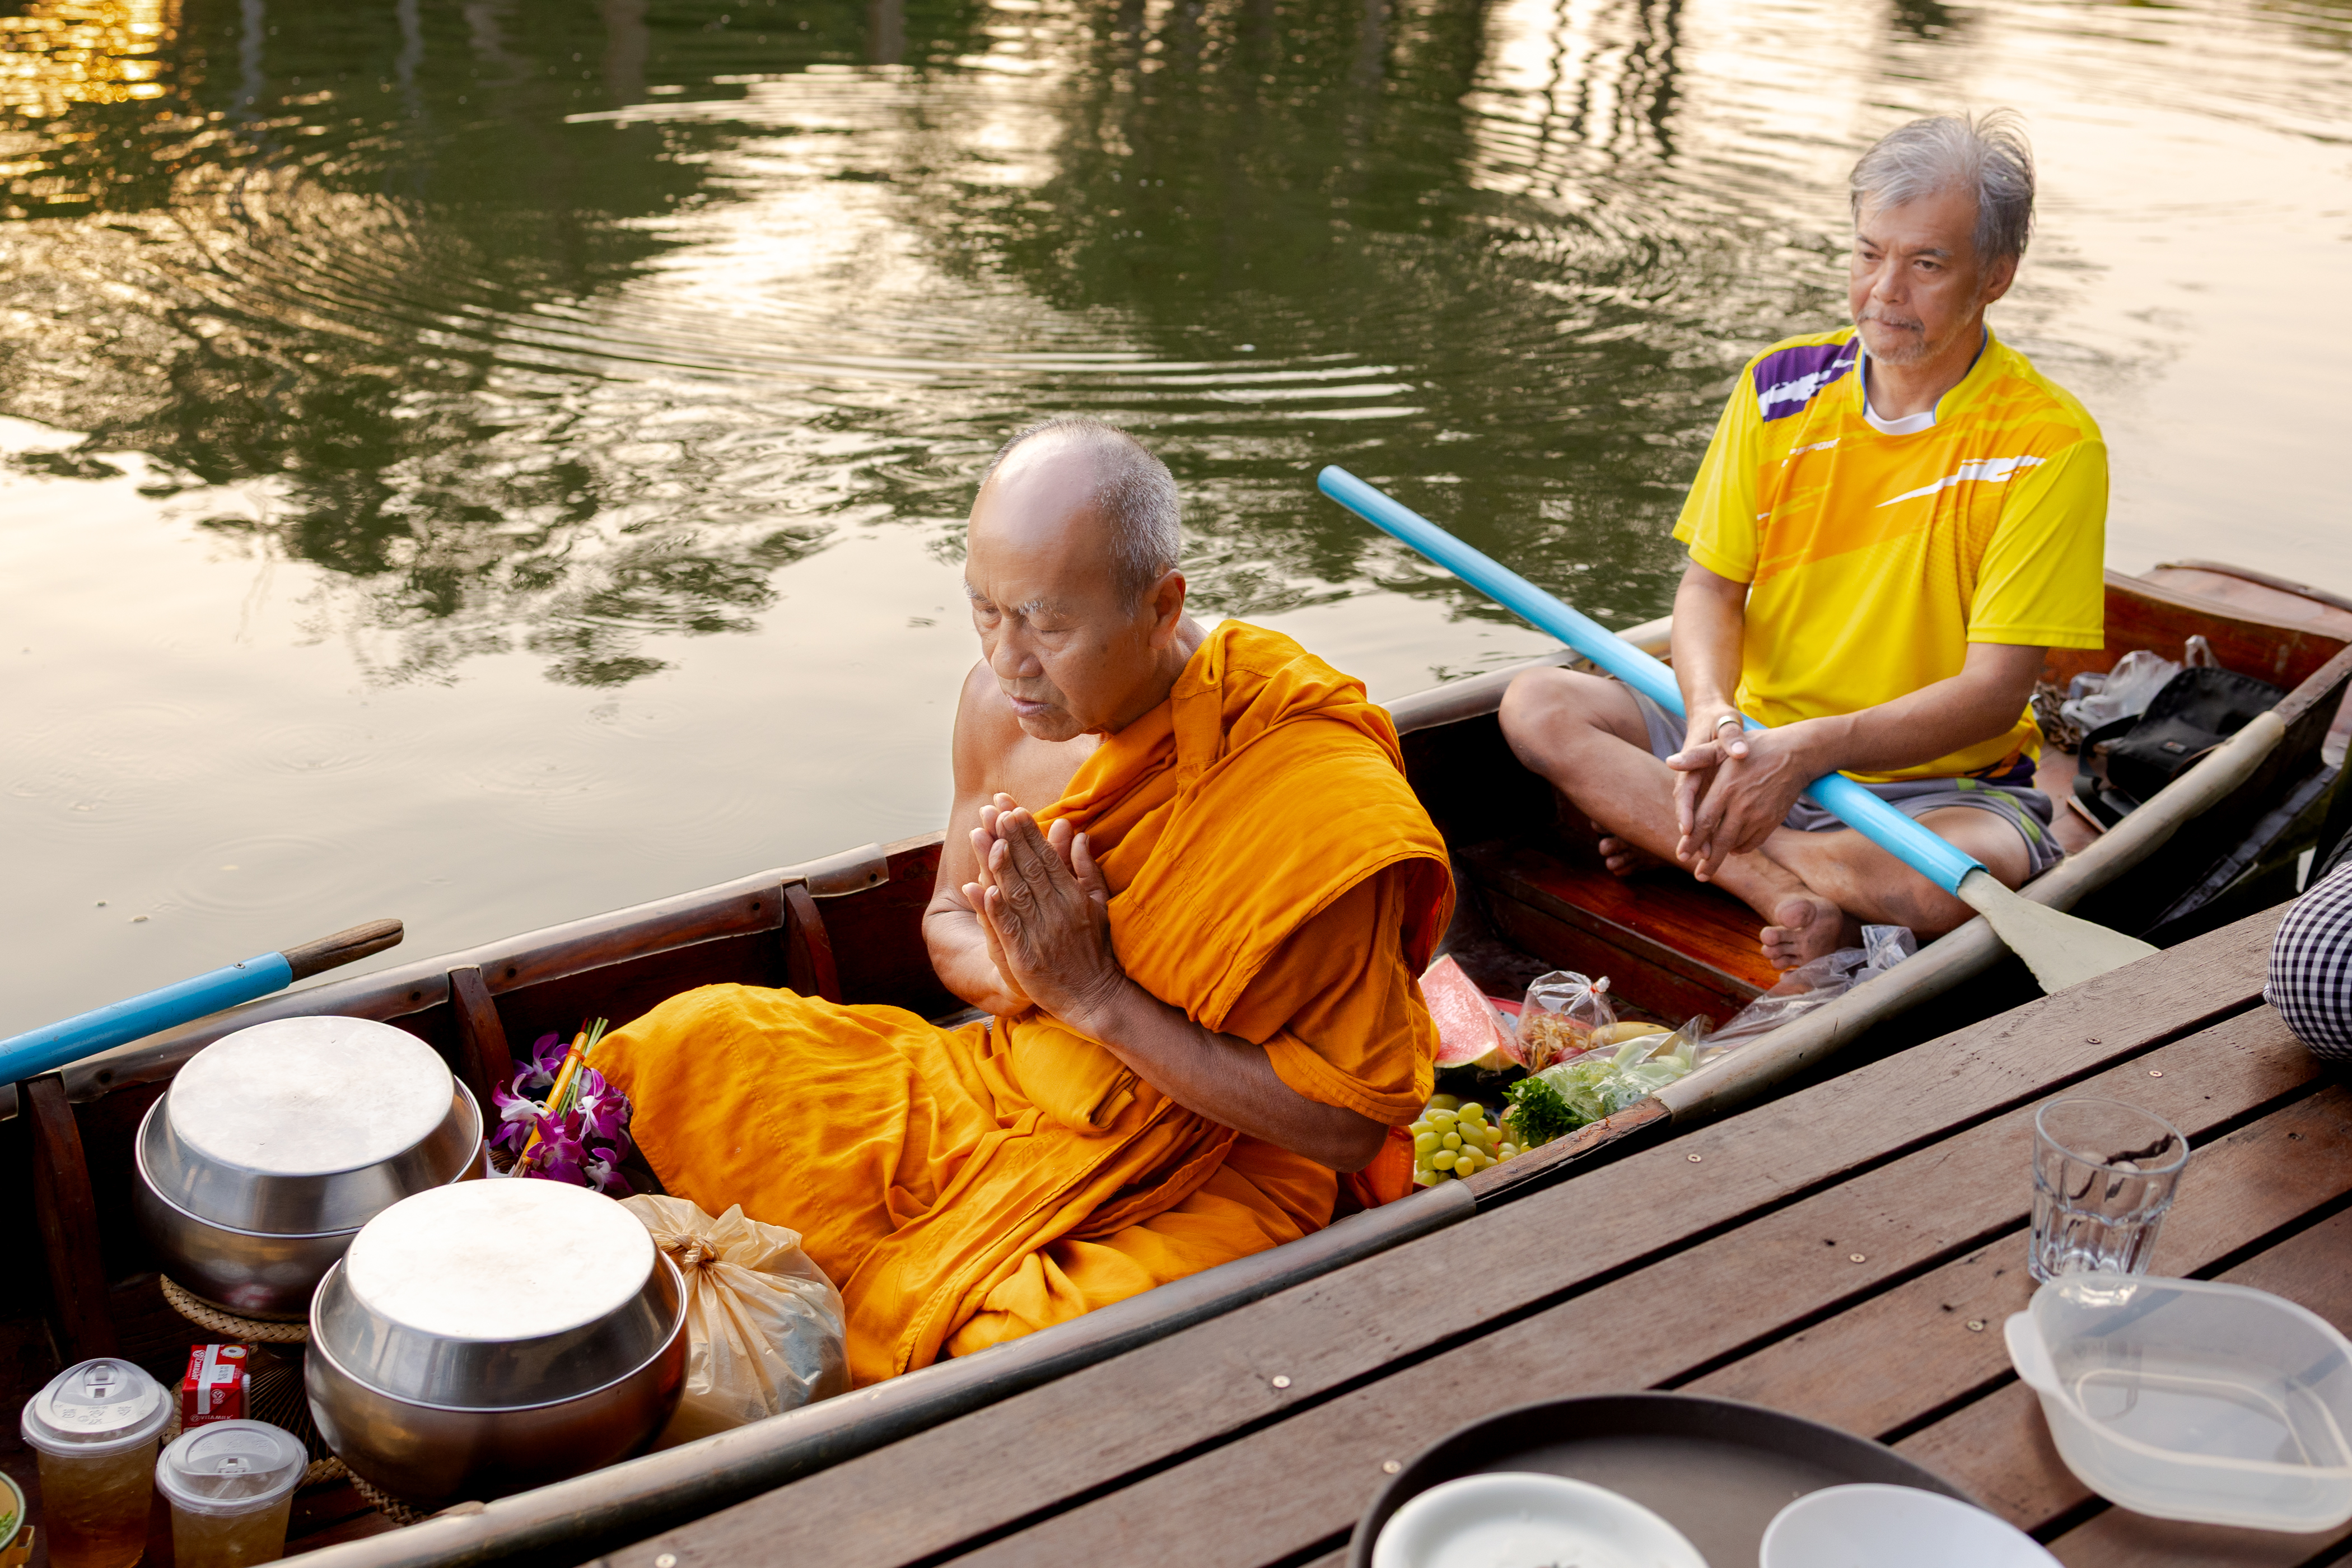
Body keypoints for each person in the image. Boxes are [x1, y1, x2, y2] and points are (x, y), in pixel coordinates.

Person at [596, 416, 1452, 1385]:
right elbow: (948, 921)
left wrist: (1097, 997)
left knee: (1002, 1354)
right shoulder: (999, 711)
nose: (1009, 660)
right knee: (686, 1044)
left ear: (1161, 604)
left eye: (1046, 622)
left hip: (1214, 1158)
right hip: (999, 1077)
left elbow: (1344, 1126)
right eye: (985, 612)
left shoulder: (1307, 790)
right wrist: (1030, 970)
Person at [1499, 110, 2106, 969]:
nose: (1884, 291)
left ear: (1996, 276)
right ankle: (1772, 883)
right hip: (1751, 734)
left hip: (1927, 788)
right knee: (1539, 705)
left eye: (1926, 263)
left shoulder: (2050, 445)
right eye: (1868, 253)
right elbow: (1711, 589)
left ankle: (1697, 837)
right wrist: (1712, 710)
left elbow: (1993, 695)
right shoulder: (1780, 387)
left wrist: (1815, 751)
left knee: (1941, 885)